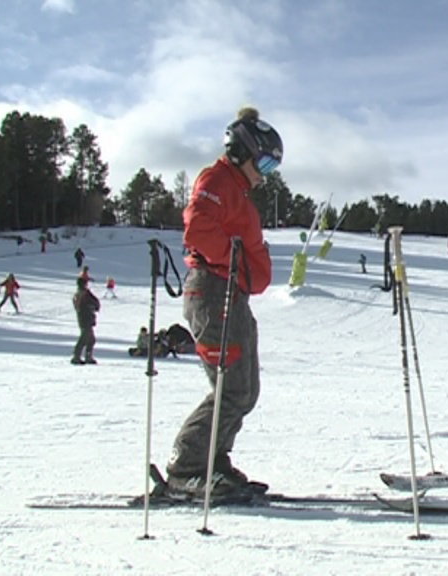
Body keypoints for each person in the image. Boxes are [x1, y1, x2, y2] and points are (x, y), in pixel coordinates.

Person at [164, 106, 282, 500]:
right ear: (240, 151)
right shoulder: (217, 180)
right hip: (214, 291)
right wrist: (231, 262)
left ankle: (214, 459)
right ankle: (188, 466)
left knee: (245, 391)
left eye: (272, 165)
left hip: (233, 293)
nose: (265, 172)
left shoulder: (239, 191)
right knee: (230, 389)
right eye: (263, 161)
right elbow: (198, 227)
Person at [71, 275, 100, 365]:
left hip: (85, 318)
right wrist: (94, 306)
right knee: (84, 338)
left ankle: (87, 356)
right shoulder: (83, 294)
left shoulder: (80, 293)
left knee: (90, 339)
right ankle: (77, 357)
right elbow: (93, 301)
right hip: (85, 319)